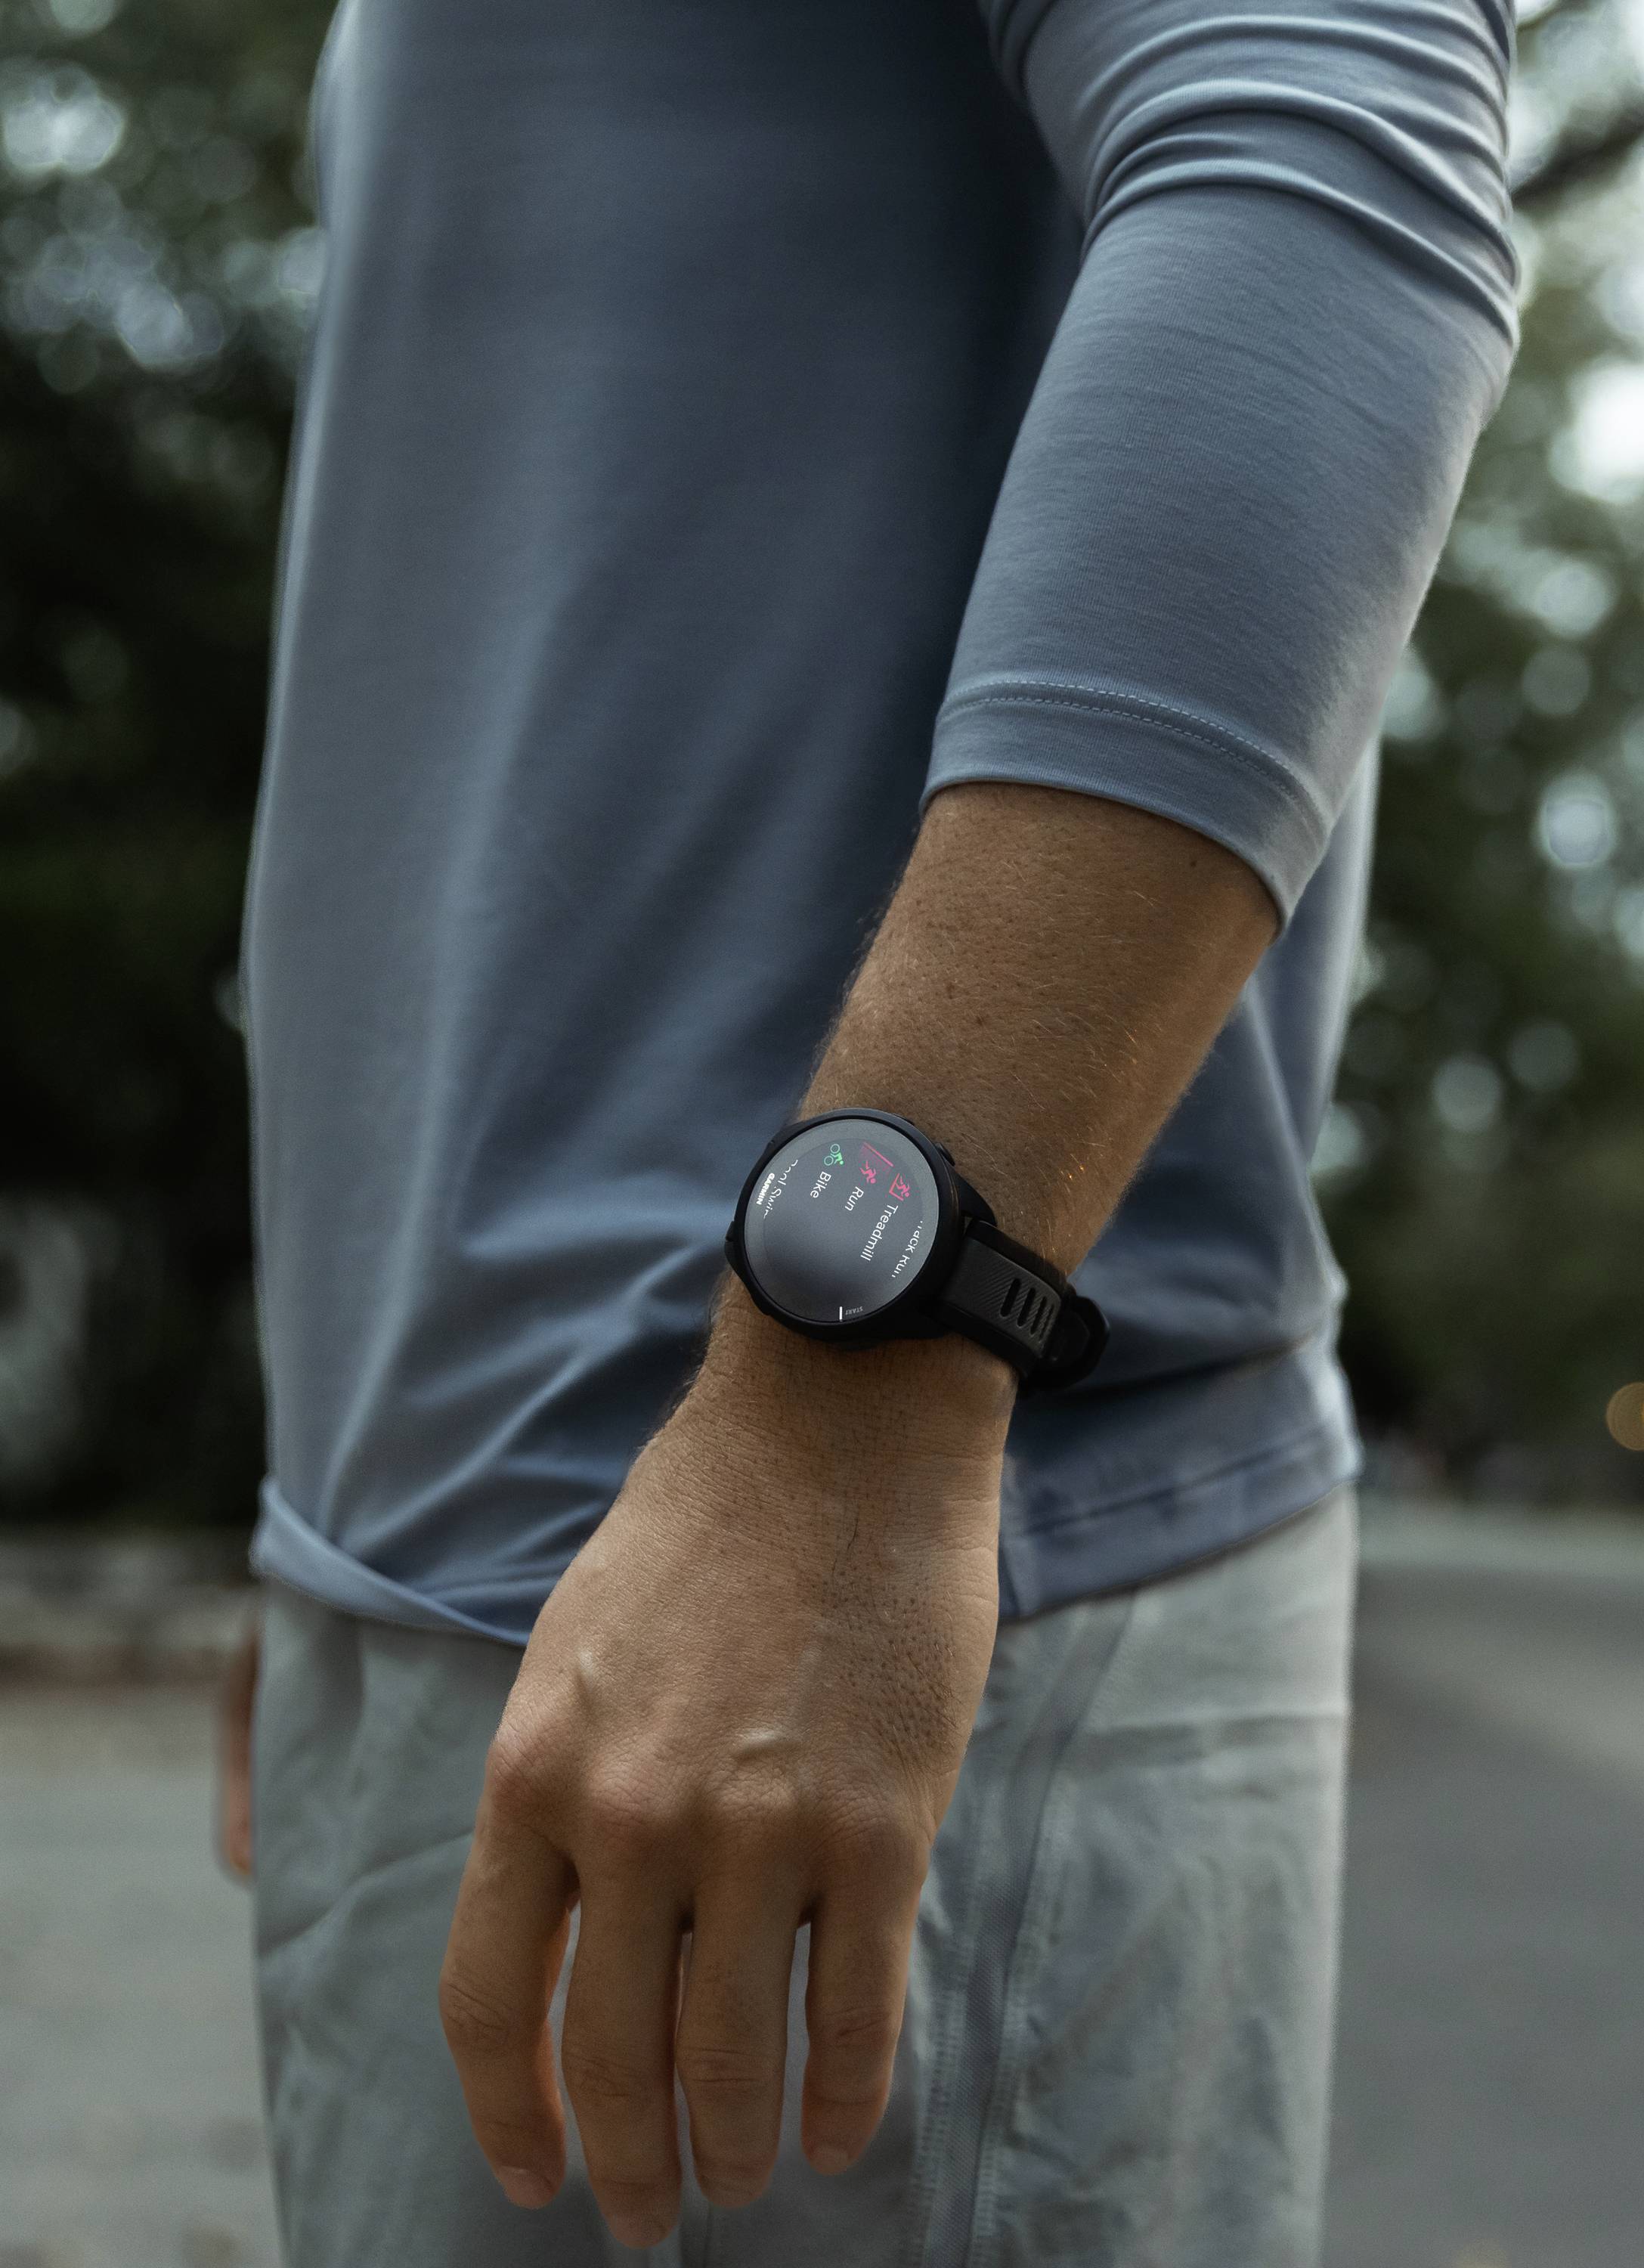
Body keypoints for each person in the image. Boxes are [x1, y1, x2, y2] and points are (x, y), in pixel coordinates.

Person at [216, 1, 1518, 2261]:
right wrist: (343, 1478)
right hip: (490, 1597)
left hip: (828, 1607)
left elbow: (1328, 166)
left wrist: (838, 1418)